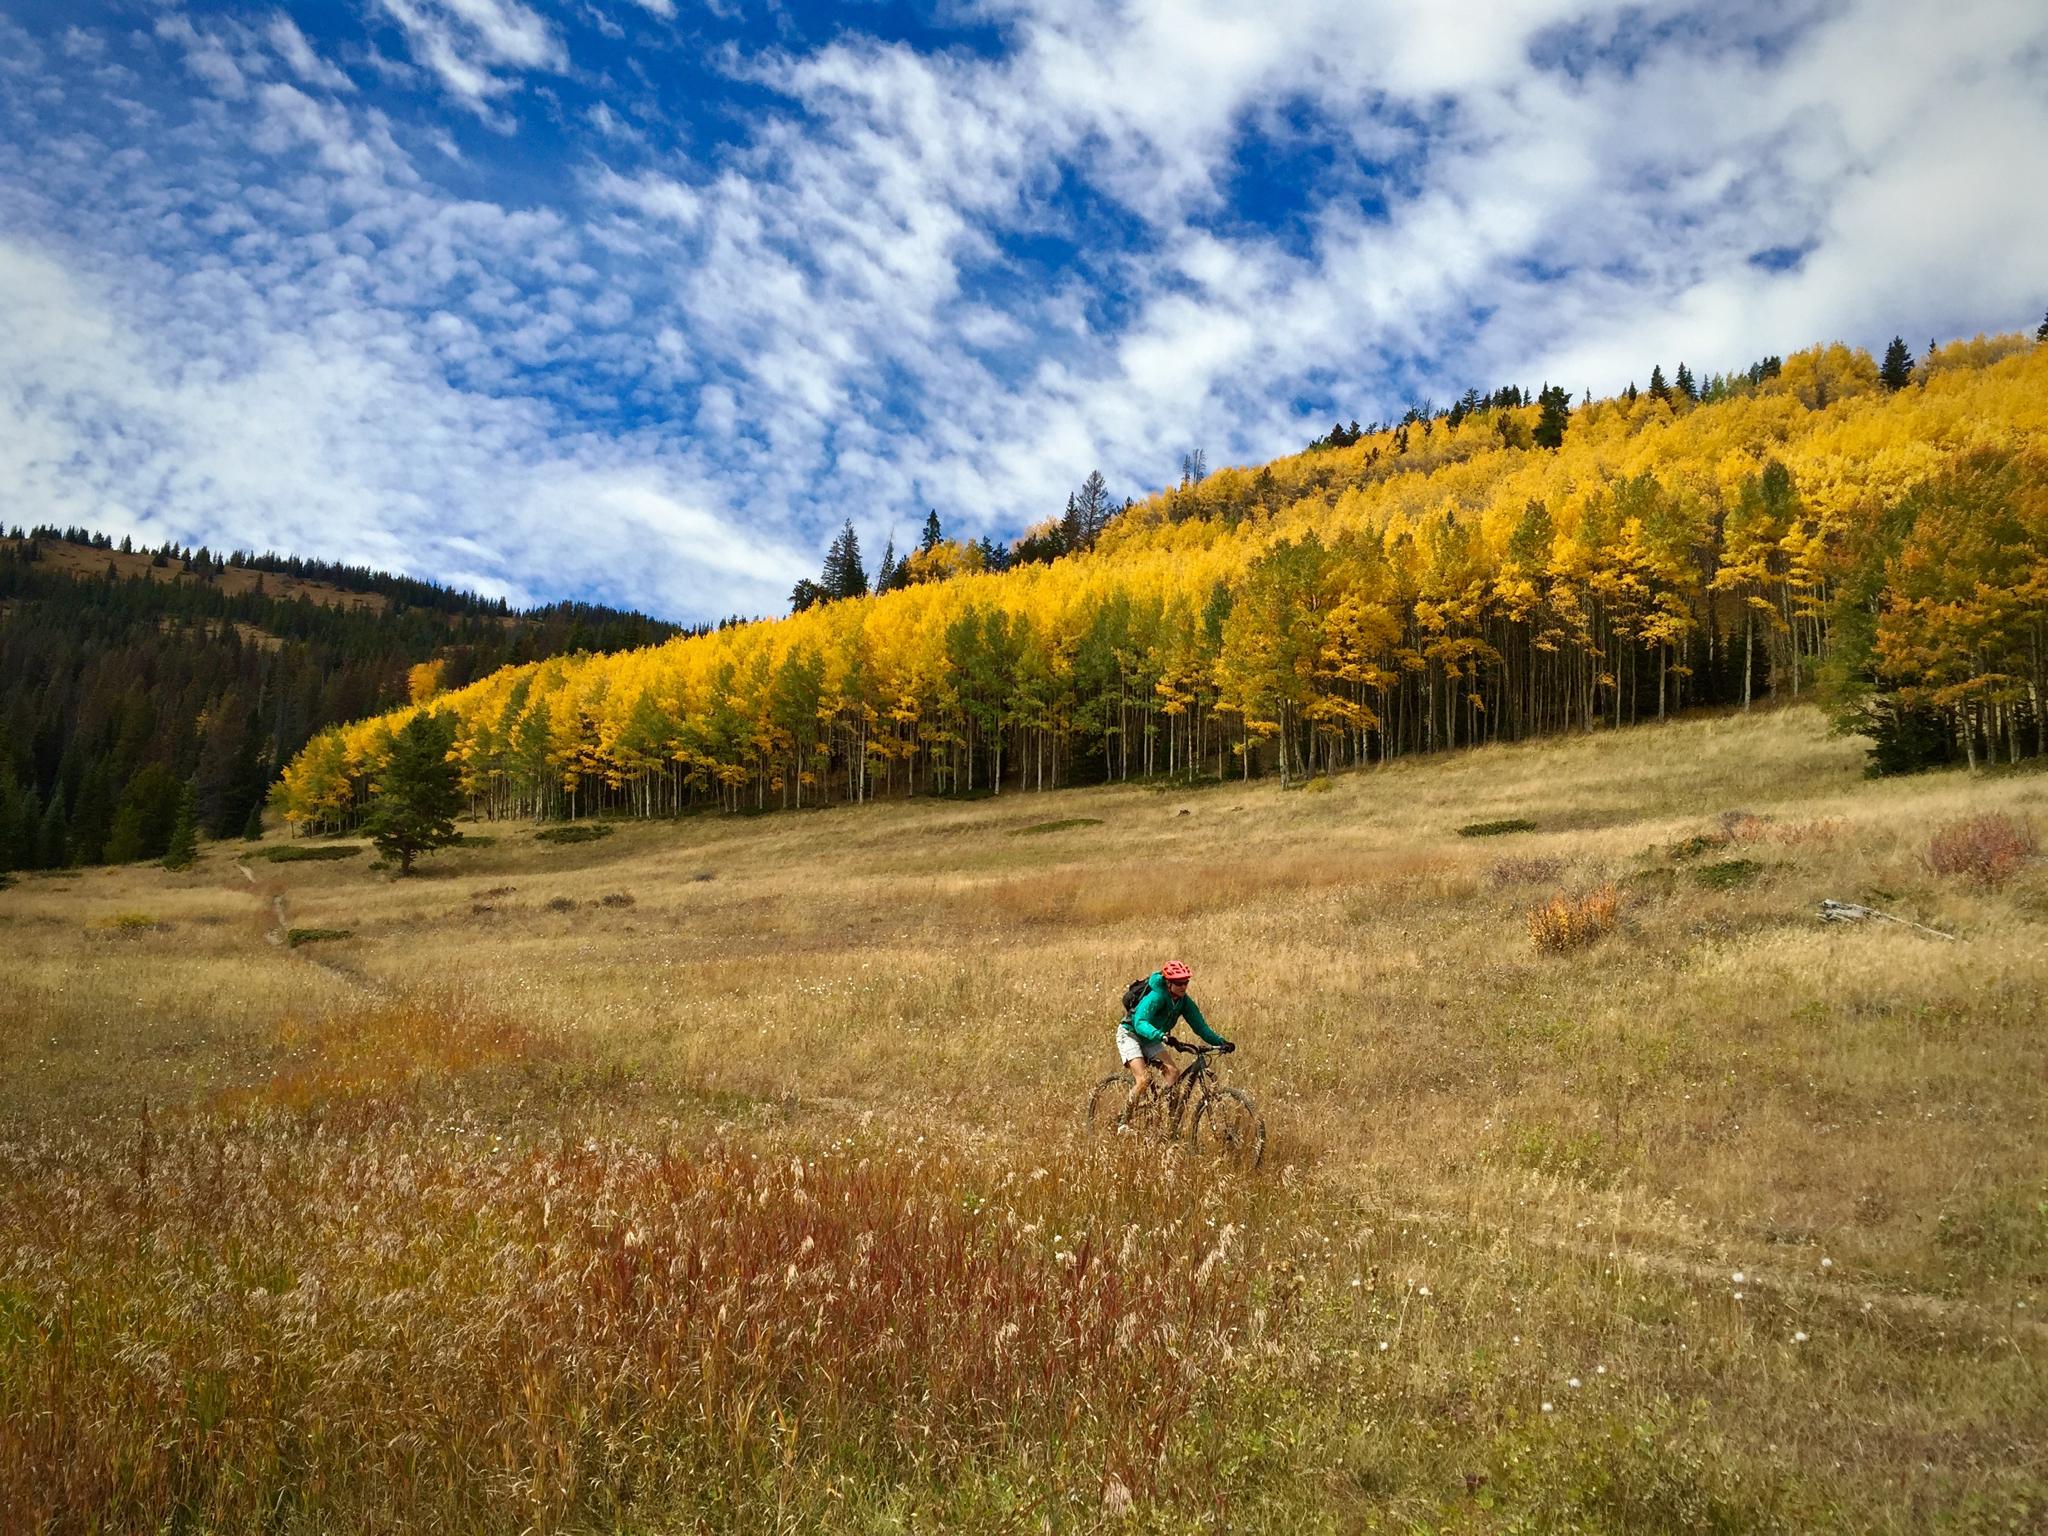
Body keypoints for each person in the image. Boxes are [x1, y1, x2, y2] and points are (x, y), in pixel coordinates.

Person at [1117, 960, 1233, 1124]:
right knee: (1143, 1080)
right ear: (1168, 983)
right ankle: (1122, 1122)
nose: (1183, 987)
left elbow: (1200, 1027)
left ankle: (1170, 1125)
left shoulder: (1183, 1001)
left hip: (1152, 1038)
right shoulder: (1156, 996)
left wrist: (1221, 1042)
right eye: (1179, 983)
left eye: (1186, 982)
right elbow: (1140, 1022)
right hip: (1130, 1034)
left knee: (1173, 1073)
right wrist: (1161, 1036)